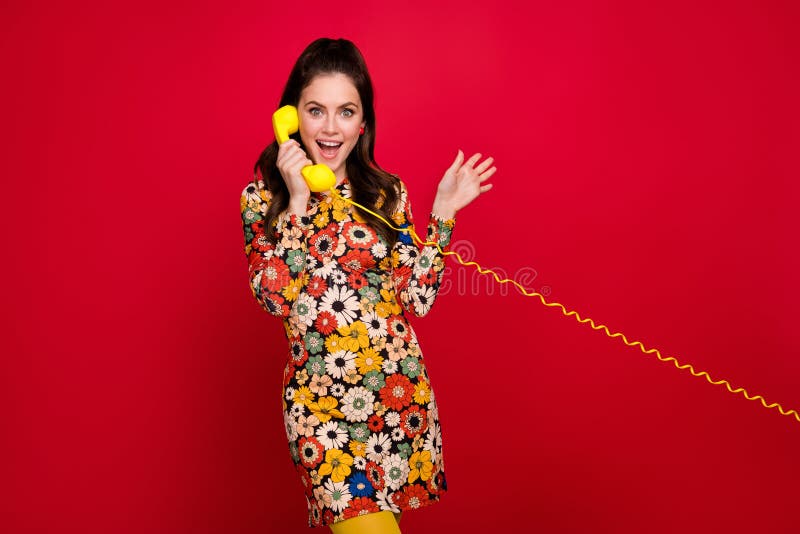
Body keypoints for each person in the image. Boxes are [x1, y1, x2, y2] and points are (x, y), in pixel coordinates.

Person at [239, 37, 495, 533]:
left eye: (345, 111)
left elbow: (416, 298)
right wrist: (295, 202)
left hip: (396, 401)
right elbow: (274, 298)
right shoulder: (260, 200)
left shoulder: (384, 193)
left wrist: (442, 215)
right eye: (316, 110)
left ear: (363, 122)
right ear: (291, 116)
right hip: (324, 415)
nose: (331, 128)